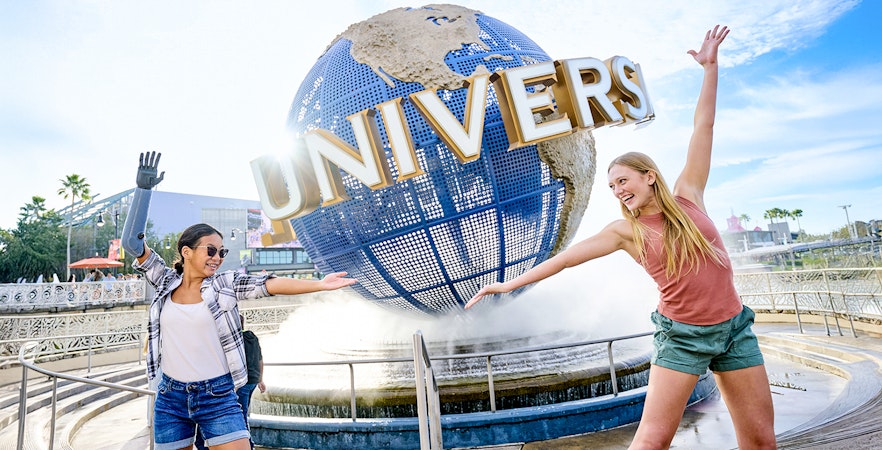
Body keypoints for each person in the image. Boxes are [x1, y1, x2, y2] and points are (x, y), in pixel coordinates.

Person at [465, 26, 776, 450]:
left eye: (623, 180)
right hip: (682, 337)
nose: (618, 190)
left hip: (735, 329)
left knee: (760, 441)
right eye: (612, 186)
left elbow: (705, 123)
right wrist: (508, 283)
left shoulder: (689, 196)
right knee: (652, 440)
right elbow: (566, 259)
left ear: (650, 177)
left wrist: (710, 68)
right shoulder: (624, 232)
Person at [121, 151, 357, 450]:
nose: (217, 257)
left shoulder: (224, 284)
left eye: (222, 252)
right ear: (186, 251)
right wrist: (143, 190)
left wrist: (319, 285)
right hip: (170, 397)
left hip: (218, 395)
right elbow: (133, 243)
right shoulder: (165, 280)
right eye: (210, 250)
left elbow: (269, 284)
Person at [195, 314, 265, 450]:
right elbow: (260, 360)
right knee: (241, 414)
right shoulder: (252, 337)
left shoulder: (234, 340)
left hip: (241, 383)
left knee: (239, 417)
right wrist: (261, 379)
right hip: (252, 381)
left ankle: (248, 445)